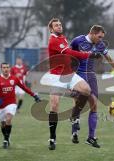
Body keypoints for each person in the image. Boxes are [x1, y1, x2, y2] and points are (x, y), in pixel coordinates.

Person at [41, 18, 100, 150]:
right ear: (51, 29)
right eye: (56, 25)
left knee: (86, 90)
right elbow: (69, 52)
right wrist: (88, 55)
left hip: (69, 74)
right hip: (56, 77)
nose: (59, 26)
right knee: (55, 106)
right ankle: (52, 138)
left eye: (60, 24)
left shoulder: (62, 38)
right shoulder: (53, 40)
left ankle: (74, 115)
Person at [70, 25, 114, 148]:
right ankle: (74, 128)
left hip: (91, 76)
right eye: (99, 37)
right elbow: (68, 56)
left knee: (94, 105)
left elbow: (108, 57)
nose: (101, 39)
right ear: (93, 33)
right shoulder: (77, 41)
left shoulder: (100, 45)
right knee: (79, 102)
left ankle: (91, 137)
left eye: (102, 37)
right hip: (78, 75)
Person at [0, 62, 41, 149]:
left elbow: (24, 87)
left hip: (11, 103)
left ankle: (5, 140)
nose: (6, 69)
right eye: (4, 67)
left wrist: (34, 95)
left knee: (8, 119)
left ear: (9, 68)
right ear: (1, 69)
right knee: (2, 124)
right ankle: (6, 137)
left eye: (7, 67)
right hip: (1, 105)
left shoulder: (14, 79)